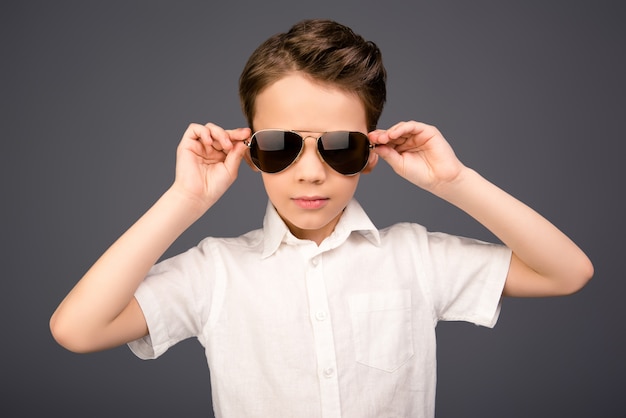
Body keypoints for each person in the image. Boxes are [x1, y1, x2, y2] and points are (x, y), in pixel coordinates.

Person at [50, 19, 593, 418]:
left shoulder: (415, 258)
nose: (310, 173)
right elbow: (76, 329)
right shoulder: (215, 271)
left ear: (373, 151)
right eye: (282, 145)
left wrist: (455, 182)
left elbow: (567, 273)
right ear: (250, 147)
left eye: (339, 147)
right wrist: (185, 200)